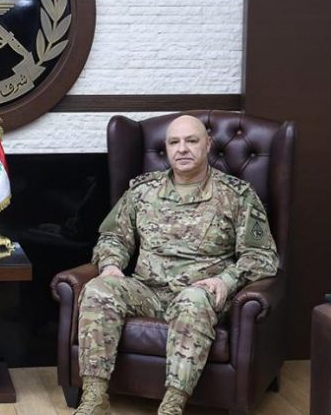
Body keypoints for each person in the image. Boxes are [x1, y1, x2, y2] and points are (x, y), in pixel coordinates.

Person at [74, 115, 278, 415]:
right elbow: (113, 237)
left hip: (200, 293)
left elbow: (261, 256)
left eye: (191, 141)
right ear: (167, 148)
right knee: (98, 289)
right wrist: (111, 265)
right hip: (146, 291)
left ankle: (172, 405)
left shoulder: (237, 195)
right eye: (174, 142)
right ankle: (94, 398)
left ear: (208, 144)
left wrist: (226, 280)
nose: (182, 149)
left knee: (193, 300)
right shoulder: (143, 191)